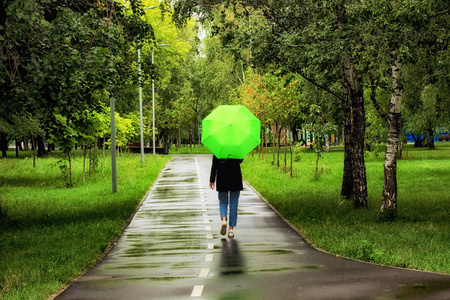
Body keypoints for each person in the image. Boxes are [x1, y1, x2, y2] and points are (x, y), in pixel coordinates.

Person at [209, 155, 243, 238]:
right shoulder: (236, 146)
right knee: (233, 204)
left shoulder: (219, 148)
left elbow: (214, 164)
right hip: (235, 177)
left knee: (223, 202)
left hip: (222, 177)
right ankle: (231, 230)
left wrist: (212, 180)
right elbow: (240, 160)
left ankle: (224, 220)